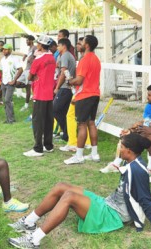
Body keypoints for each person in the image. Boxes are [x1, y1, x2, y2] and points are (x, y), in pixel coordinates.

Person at [8, 133, 151, 249]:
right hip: (107, 203)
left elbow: (143, 198)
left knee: (69, 197)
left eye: (121, 146)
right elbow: (140, 193)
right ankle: (29, 222)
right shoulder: (134, 162)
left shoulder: (136, 170)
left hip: (113, 215)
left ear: (129, 151)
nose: (118, 149)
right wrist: (150, 201)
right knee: (62, 186)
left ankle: (34, 240)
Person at [100, 83, 151, 174]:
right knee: (126, 135)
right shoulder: (150, 105)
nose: (147, 97)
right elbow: (146, 121)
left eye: (149, 95)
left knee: (147, 135)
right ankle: (116, 164)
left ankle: (150, 168)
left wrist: (141, 125)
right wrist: (131, 129)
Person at [64, 35, 101, 165]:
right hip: (95, 94)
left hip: (84, 95)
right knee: (91, 123)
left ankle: (79, 155)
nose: (80, 43)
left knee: (82, 124)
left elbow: (79, 80)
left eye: (82, 42)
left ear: (87, 45)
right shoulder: (96, 59)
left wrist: (70, 81)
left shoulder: (85, 60)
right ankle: (94, 154)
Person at [23, 35, 56, 157]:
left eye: (38, 43)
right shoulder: (52, 58)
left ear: (41, 45)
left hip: (39, 93)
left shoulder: (38, 60)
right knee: (48, 120)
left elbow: (30, 76)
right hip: (49, 93)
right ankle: (48, 145)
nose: (37, 45)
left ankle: (38, 148)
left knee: (37, 121)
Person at [53, 38, 75, 142]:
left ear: (63, 46)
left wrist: (57, 87)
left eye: (58, 46)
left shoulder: (65, 55)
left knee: (55, 109)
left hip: (64, 87)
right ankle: (67, 134)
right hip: (67, 87)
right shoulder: (66, 55)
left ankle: (66, 132)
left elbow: (64, 72)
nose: (57, 48)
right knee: (64, 111)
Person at [0, 44, 23, 124]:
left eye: (5, 49)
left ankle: (11, 119)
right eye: (3, 49)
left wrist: (14, 80)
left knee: (7, 100)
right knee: (5, 101)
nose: (4, 51)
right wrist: (1, 80)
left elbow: (20, 69)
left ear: (10, 50)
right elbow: (1, 70)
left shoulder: (14, 59)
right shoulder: (2, 60)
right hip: (4, 82)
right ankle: (8, 118)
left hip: (10, 83)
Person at [17, 35, 36, 112]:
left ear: (31, 40)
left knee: (28, 88)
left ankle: (26, 105)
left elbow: (35, 56)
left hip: (30, 69)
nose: (26, 42)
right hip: (26, 69)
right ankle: (28, 85)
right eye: (26, 40)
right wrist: (25, 55)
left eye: (28, 40)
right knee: (17, 83)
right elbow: (29, 55)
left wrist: (31, 59)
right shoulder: (29, 49)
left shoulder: (35, 48)